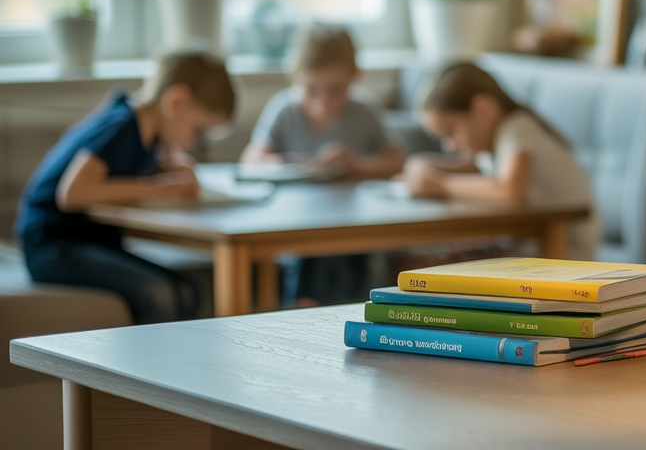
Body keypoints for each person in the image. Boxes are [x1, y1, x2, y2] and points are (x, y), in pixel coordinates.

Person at [16, 50, 236, 324]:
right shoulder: (121, 126)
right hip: (53, 246)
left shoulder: (149, 135)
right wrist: (155, 188)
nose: (194, 143)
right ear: (176, 102)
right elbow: (71, 193)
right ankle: (152, 366)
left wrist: (169, 167)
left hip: (90, 244)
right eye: (199, 132)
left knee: (189, 289)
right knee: (158, 292)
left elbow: (124, 171)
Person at [240, 24, 403, 307]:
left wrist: (356, 165)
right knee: (308, 263)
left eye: (335, 90)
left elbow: (397, 161)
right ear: (295, 79)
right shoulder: (284, 109)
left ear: (355, 77)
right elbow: (251, 161)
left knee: (357, 269)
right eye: (311, 90)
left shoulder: (364, 111)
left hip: (352, 227)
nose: (322, 103)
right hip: (299, 229)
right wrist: (304, 164)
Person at [401, 62, 597, 261]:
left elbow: (510, 190)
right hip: (536, 248)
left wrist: (440, 185)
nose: (449, 147)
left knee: (428, 265)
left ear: (483, 108)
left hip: (563, 253)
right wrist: (425, 166)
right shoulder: (498, 139)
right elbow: (472, 170)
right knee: (425, 261)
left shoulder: (517, 129)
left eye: (451, 132)